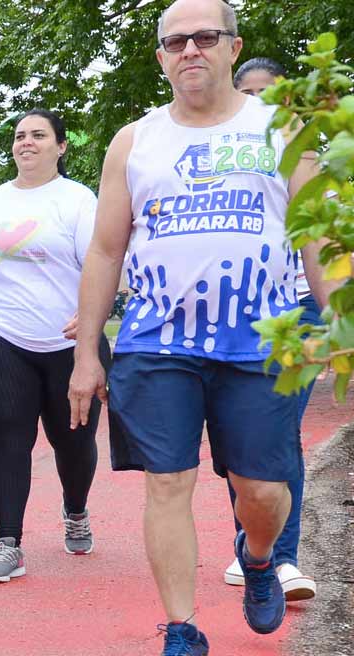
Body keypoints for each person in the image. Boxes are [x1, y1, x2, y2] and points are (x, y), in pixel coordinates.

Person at [67, 1, 341, 653]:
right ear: (160, 56)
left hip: (263, 340)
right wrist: (86, 354)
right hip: (158, 341)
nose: (190, 50)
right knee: (167, 480)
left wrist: (338, 325)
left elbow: (315, 236)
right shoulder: (134, 142)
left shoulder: (283, 128)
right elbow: (106, 251)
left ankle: (258, 555)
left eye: (204, 37)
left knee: (263, 489)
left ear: (232, 46)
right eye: (175, 41)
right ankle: (182, 628)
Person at [0, 109, 109, 584]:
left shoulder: (78, 200)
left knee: (73, 443)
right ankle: (8, 543)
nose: (27, 143)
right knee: (8, 441)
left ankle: (75, 510)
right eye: (20, 136)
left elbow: (103, 263)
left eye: (39, 135)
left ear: (60, 147)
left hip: (68, 345)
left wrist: (93, 321)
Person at [220, 56, 316, 601]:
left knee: (279, 434)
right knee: (241, 439)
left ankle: (280, 559)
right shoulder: (225, 162)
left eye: (270, 94)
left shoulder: (311, 161)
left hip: (299, 313)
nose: (259, 103)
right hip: (240, 314)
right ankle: (249, 541)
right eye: (248, 92)